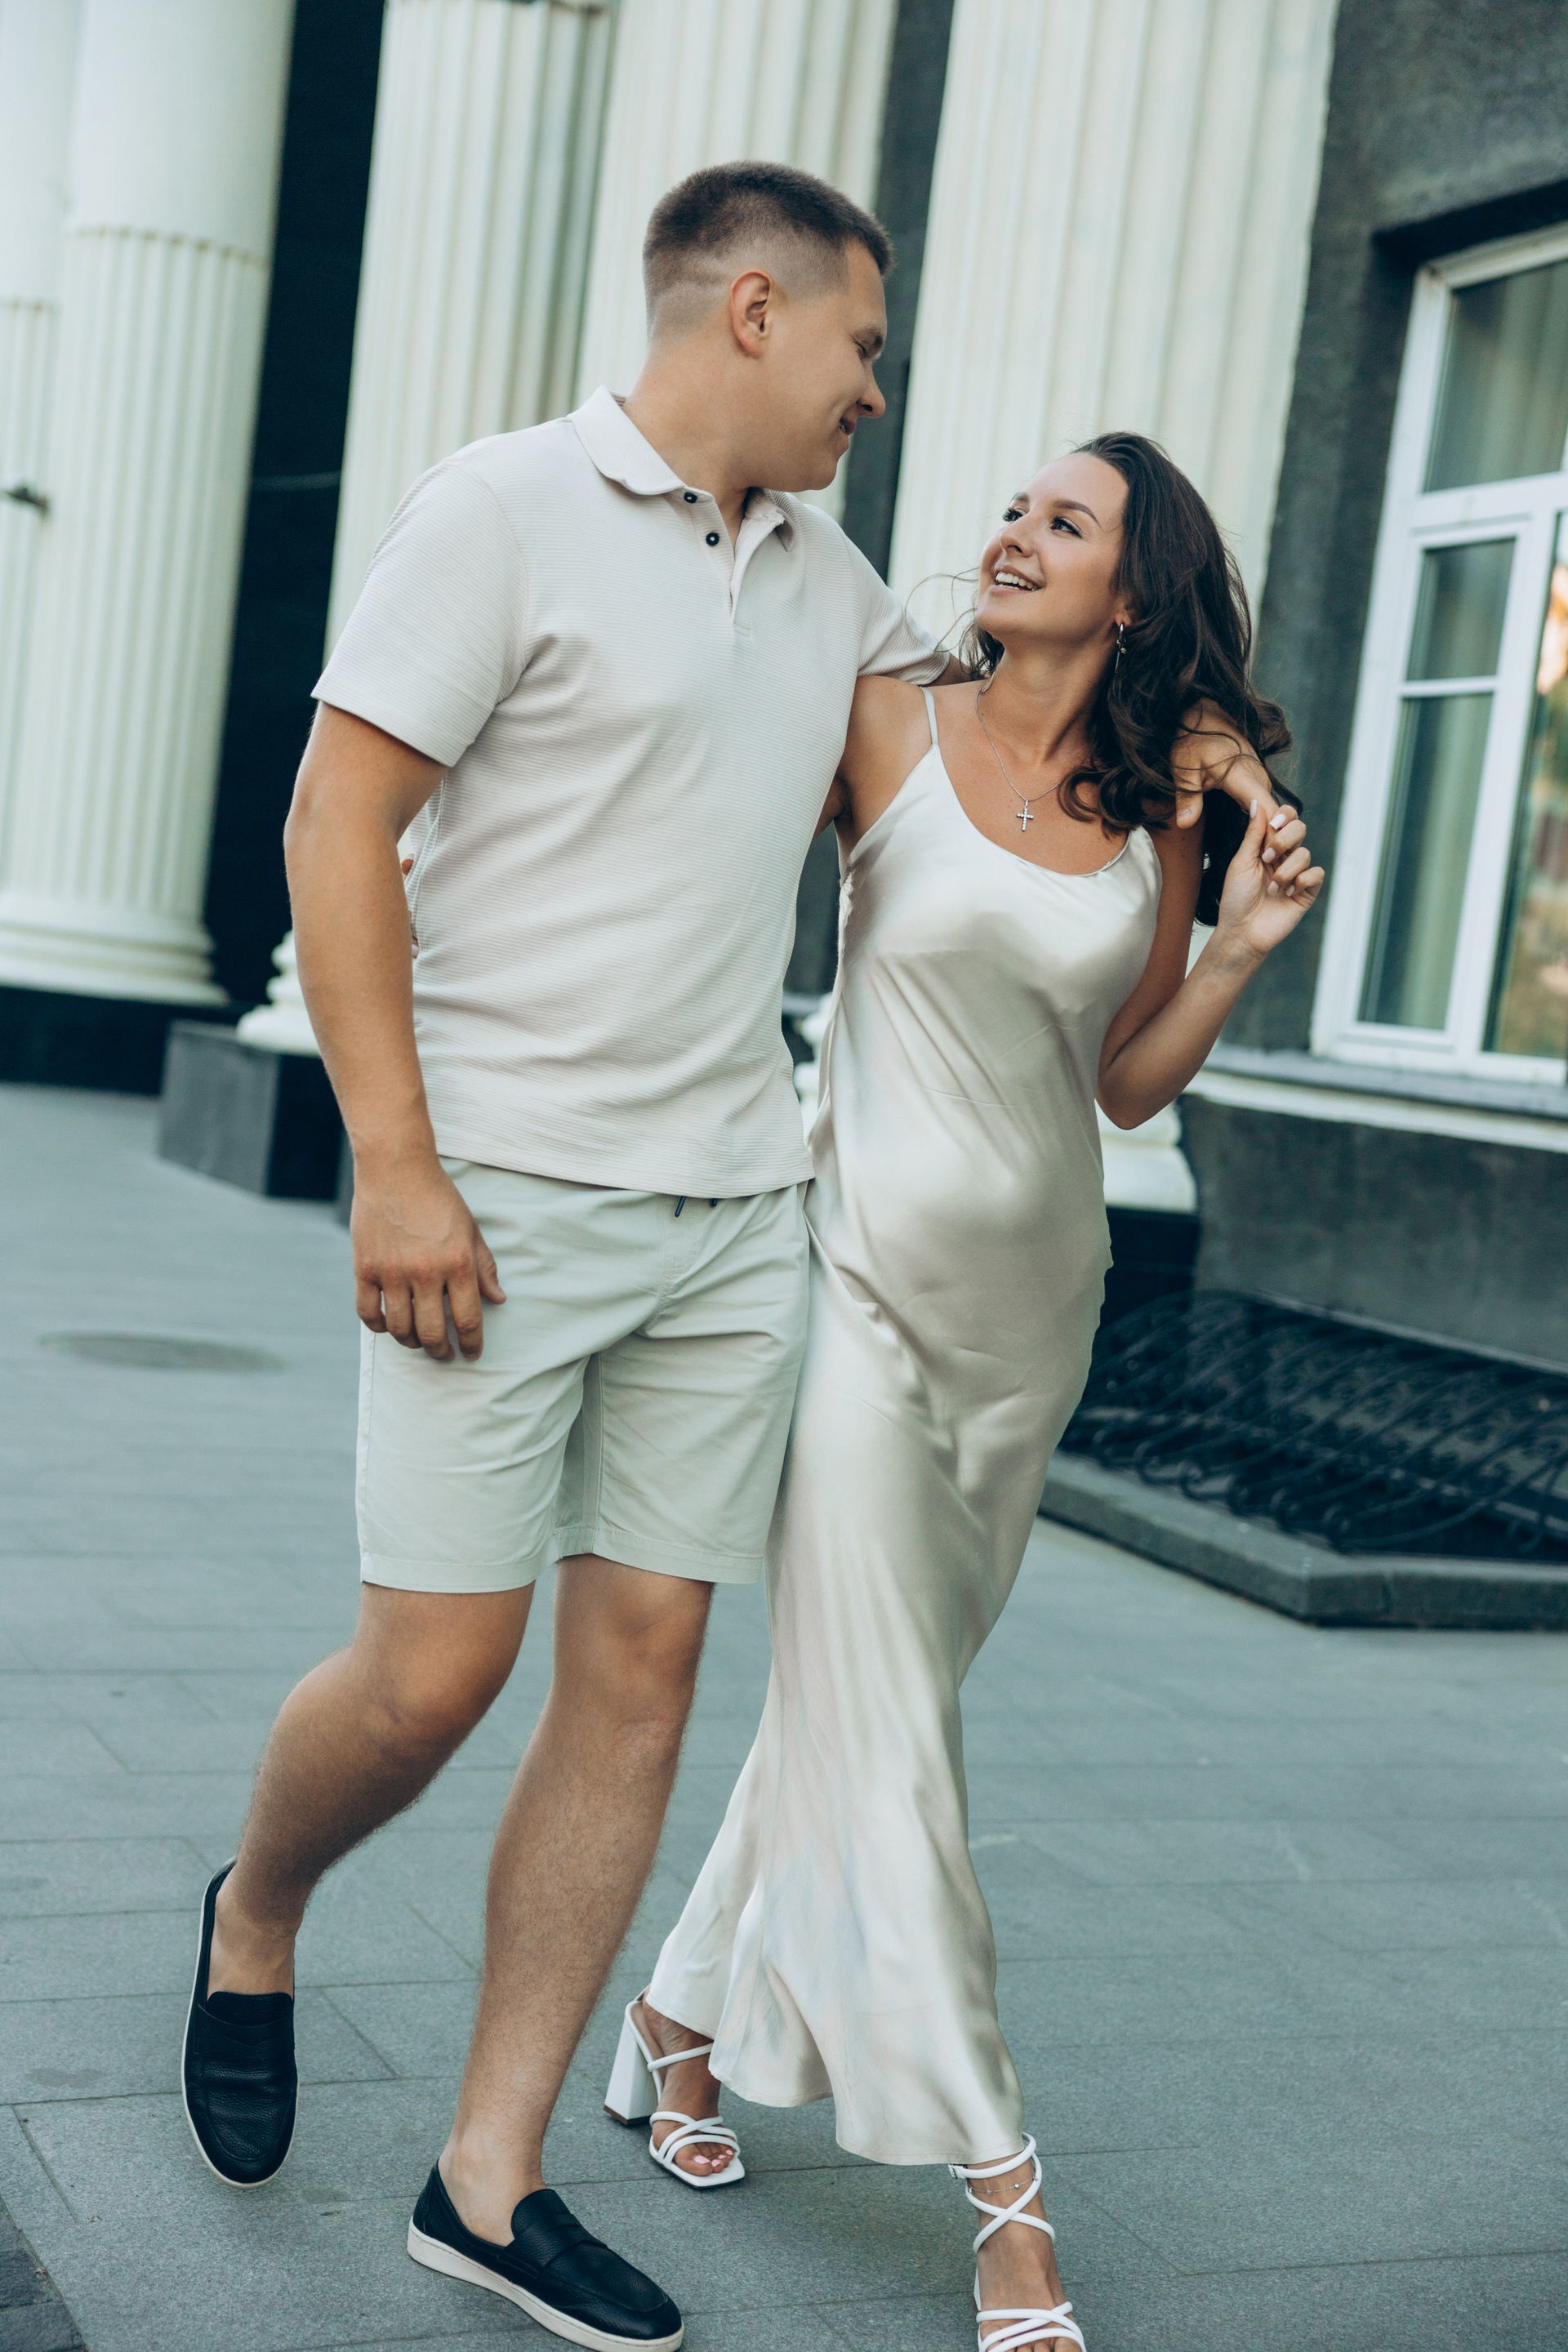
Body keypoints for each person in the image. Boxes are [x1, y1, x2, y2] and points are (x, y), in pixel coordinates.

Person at [179, 162, 964, 2352]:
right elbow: (335, 821)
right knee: (434, 1676)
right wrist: (395, 1164)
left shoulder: (831, 579)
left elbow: (965, 792)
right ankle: (258, 1911)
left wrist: (1173, 733)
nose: (874, 394)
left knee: (641, 1678)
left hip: (730, 1215)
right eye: (862, 346)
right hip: (497, 1195)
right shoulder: (502, 509)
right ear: (750, 310)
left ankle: (488, 2176)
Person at [608, 433, 1324, 2352]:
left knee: (860, 1705)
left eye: (1062, 522)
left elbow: (1124, 1079)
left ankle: (676, 2022)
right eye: (1013, 507)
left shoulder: (1156, 807)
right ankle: (1008, 2203)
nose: (1012, 532)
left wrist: (1241, 944)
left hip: (1032, 1318)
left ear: (1133, 592)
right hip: (847, 1286)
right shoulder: (885, 717)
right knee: (898, 1744)